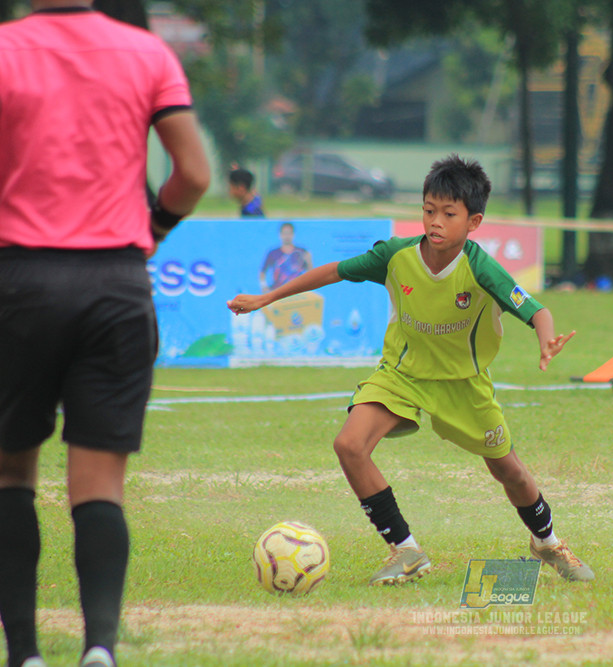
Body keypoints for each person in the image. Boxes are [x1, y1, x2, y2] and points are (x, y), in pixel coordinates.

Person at [228, 155, 594, 586]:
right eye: (428, 210)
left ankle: (548, 542)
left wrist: (545, 339)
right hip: (402, 375)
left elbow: (536, 310)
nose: (435, 221)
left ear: (473, 222)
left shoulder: (480, 268)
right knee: (349, 444)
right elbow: (334, 272)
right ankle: (405, 550)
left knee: (508, 471)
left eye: (448, 214)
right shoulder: (396, 255)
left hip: (463, 385)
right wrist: (267, 297)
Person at [0, 2, 210, 667]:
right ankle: (99, 646)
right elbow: (195, 173)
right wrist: (153, 232)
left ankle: (26, 653)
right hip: (116, 285)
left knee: (10, 473)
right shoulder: (146, 53)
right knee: (99, 484)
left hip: (20, 281)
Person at [259, 222, 313, 291]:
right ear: (280, 235)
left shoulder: (301, 252)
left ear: (293, 234)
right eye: (284, 233)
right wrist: (263, 286)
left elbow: (310, 274)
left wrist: (309, 262)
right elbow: (262, 272)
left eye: (289, 233)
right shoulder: (273, 253)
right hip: (278, 291)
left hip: (297, 292)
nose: (287, 236)